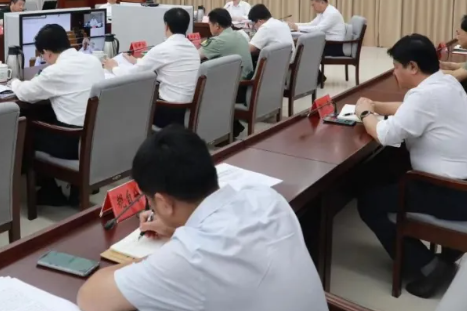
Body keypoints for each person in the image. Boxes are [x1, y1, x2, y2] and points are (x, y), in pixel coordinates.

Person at [76, 125, 328, 311]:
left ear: (163, 202)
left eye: (149, 201)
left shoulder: (189, 256)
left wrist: (160, 257)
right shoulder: (267, 199)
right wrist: (177, 230)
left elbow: (91, 298)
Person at [353, 34, 467, 299]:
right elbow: (409, 108)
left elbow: (385, 134)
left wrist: (364, 114)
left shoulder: (425, 95)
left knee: (369, 203)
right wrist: (375, 105)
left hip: (457, 195)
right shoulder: (444, 83)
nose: (394, 72)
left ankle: (429, 268)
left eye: (396, 66)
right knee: (384, 171)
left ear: (413, 67)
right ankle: (443, 250)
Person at [10, 24, 104, 206]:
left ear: (47, 52)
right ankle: (75, 189)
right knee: (48, 115)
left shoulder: (54, 71)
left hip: (73, 142)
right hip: (96, 135)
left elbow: (25, 93)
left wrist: (13, 82)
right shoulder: (92, 61)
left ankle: (51, 191)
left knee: (27, 131)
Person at [104, 7, 200, 129]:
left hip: (169, 112)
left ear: (166, 26)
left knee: (129, 99)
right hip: (187, 109)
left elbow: (132, 75)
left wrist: (114, 67)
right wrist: (137, 61)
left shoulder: (163, 49)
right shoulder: (192, 48)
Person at [199, 8, 253, 79]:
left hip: (232, 83)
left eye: (210, 24)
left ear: (217, 26)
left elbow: (196, 56)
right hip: (246, 81)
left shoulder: (218, 42)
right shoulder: (241, 35)